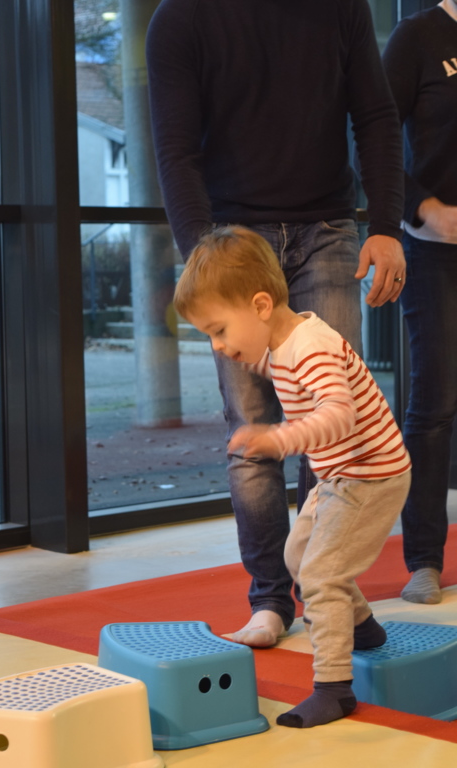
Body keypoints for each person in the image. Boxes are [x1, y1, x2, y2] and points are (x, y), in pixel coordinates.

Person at [146, 0, 406, 648]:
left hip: (327, 229)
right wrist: (208, 262)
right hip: (233, 237)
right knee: (251, 428)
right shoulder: (180, 18)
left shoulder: (341, 6)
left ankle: (325, 589)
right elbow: (176, 151)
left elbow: (374, 116)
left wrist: (385, 226)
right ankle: (269, 598)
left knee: (331, 416)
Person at [173, 226, 411, 728]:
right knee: (298, 556)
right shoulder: (283, 343)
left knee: (321, 575)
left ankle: (334, 689)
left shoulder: (312, 347)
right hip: (342, 475)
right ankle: (363, 627)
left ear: (261, 305)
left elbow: (339, 414)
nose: (218, 346)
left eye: (219, 330)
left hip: (370, 475)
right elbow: (277, 366)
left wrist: (279, 438)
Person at [382, 0, 457, 605]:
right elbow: (371, 138)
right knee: (435, 402)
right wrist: (424, 209)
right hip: (435, 252)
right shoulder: (418, 37)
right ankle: (425, 560)